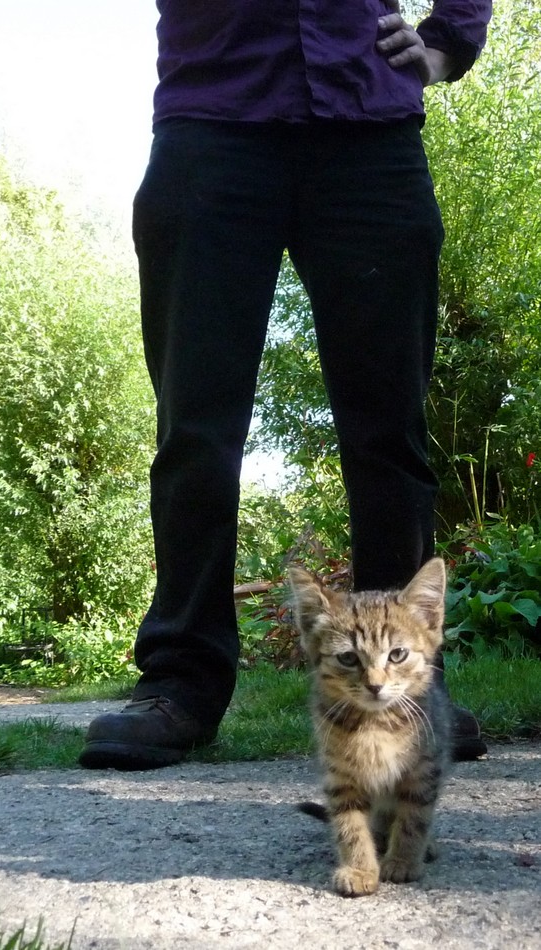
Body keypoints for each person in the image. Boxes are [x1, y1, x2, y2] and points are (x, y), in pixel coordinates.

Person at [79, 0, 493, 771]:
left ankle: (403, 688)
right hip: (213, 120)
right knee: (196, 427)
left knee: (389, 429)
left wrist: (448, 44)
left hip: (370, 126)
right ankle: (182, 685)